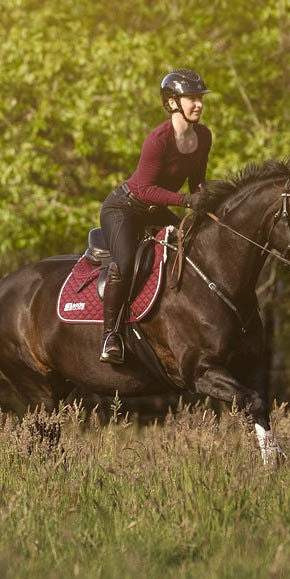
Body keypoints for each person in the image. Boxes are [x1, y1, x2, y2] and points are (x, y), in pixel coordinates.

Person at [97, 69, 212, 363]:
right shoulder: (157, 140)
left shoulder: (204, 136)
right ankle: (111, 335)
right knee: (123, 263)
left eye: (200, 98)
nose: (198, 104)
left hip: (157, 210)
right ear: (173, 103)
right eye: (192, 99)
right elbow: (146, 189)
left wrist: (207, 200)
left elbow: (197, 179)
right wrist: (186, 201)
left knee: (194, 248)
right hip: (124, 209)